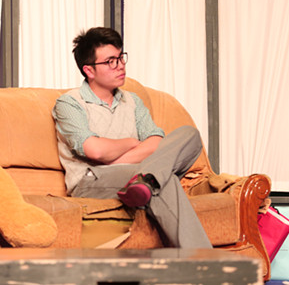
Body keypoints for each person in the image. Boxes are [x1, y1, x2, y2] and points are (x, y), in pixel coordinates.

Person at [52, 27, 212, 249]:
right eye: (110, 61)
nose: (120, 66)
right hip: (91, 180)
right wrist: (131, 142)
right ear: (89, 70)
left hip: (135, 174)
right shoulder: (69, 103)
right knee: (164, 181)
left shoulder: (133, 101)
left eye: (121, 58)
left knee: (189, 134)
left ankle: (146, 180)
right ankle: (204, 262)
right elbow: (95, 150)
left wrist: (114, 158)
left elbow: (156, 142)